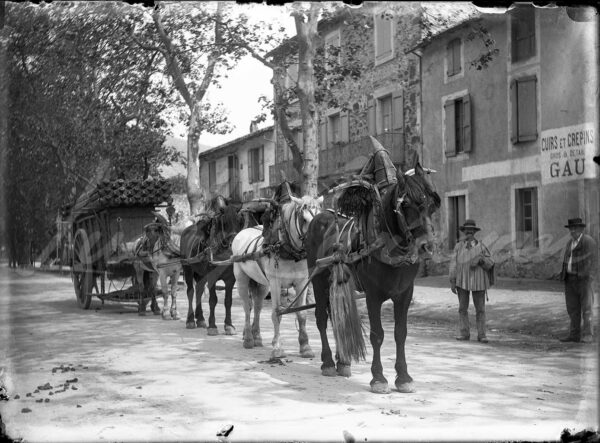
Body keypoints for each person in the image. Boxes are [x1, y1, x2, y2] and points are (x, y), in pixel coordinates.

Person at [449, 219, 494, 343]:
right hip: (462, 282)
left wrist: (481, 260)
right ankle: (464, 333)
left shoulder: (482, 247)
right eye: (466, 230)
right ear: (464, 232)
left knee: (480, 309)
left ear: (474, 232)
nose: (469, 232)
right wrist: (452, 280)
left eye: (471, 230)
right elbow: (453, 264)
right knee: (462, 309)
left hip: (478, 282)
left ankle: (482, 335)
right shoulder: (458, 247)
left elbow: (491, 263)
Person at [559, 217, 598, 343]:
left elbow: (596, 262)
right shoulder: (569, 243)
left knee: (587, 308)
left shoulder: (588, 241)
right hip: (570, 280)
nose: (572, 231)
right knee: (572, 309)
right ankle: (574, 335)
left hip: (584, 281)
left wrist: (590, 277)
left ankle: (588, 335)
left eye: (575, 228)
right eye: (571, 229)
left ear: (581, 229)